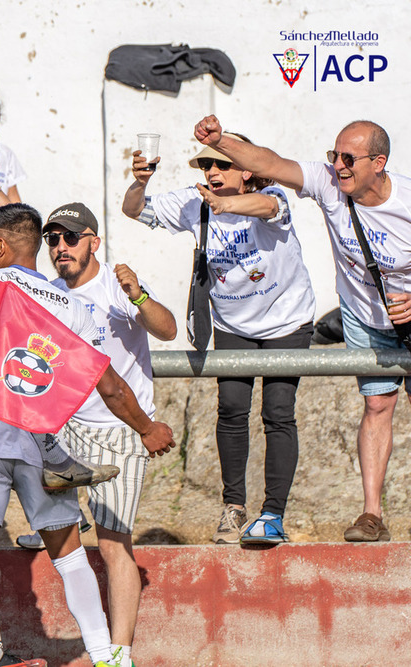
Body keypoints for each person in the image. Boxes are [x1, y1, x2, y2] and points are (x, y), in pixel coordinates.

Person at [0, 204, 175, 667]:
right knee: (70, 554)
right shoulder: (69, 306)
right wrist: (146, 426)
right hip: (43, 440)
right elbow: (106, 382)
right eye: (53, 239)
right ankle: (102, 653)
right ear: (39, 245)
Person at [193, 115, 411, 543]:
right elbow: (268, 162)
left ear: (379, 162)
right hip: (366, 317)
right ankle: (372, 515)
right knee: (377, 407)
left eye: (349, 158)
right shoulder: (329, 183)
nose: (339, 165)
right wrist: (223, 142)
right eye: (334, 155)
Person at [122, 132, 316, 545]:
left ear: (247, 169)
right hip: (233, 325)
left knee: (278, 412)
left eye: (220, 165)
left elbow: (268, 207)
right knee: (230, 410)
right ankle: (233, 509)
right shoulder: (197, 203)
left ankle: (272, 515)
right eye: (206, 166)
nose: (211, 172)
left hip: (287, 321)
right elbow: (132, 210)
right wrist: (140, 182)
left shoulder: (271, 196)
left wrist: (224, 204)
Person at [33, 202, 175, 667]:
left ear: (94, 241)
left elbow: (169, 329)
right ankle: (67, 515)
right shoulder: (51, 293)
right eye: (52, 240)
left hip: (120, 429)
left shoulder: (117, 285)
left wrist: (138, 297)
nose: (60, 248)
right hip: (69, 426)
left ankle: (119, 653)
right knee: (60, 530)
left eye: (70, 238)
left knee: (115, 545)